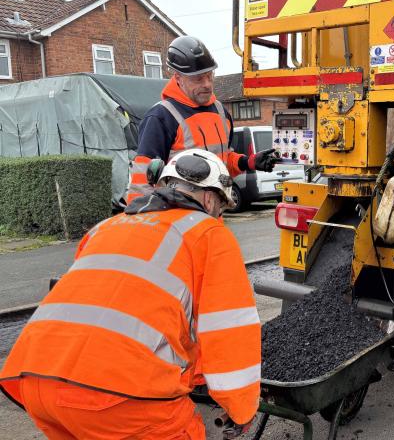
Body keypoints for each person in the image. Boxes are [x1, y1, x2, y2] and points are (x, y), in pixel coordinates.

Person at [1, 149, 261, 439]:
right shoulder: (209, 234)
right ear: (211, 199)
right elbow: (228, 329)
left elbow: (124, 305)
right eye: (220, 210)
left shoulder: (103, 228)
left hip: (36, 381)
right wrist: (240, 408)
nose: (218, 216)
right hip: (119, 396)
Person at [126, 35, 277, 204]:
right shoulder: (161, 117)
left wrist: (248, 162)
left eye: (209, 76)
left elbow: (222, 162)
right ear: (178, 78)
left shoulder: (221, 112)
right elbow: (142, 179)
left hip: (213, 212)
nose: (207, 84)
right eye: (198, 79)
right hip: (177, 217)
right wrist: (140, 217)